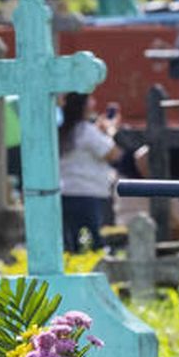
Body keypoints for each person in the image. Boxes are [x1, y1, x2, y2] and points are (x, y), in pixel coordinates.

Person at [58, 93, 123, 252]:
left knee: (72, 243)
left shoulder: (63, 130)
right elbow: (113, 154)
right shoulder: (86, 130)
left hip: (65, 193)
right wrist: (109, 132)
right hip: (86, 194)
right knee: (91, 245)